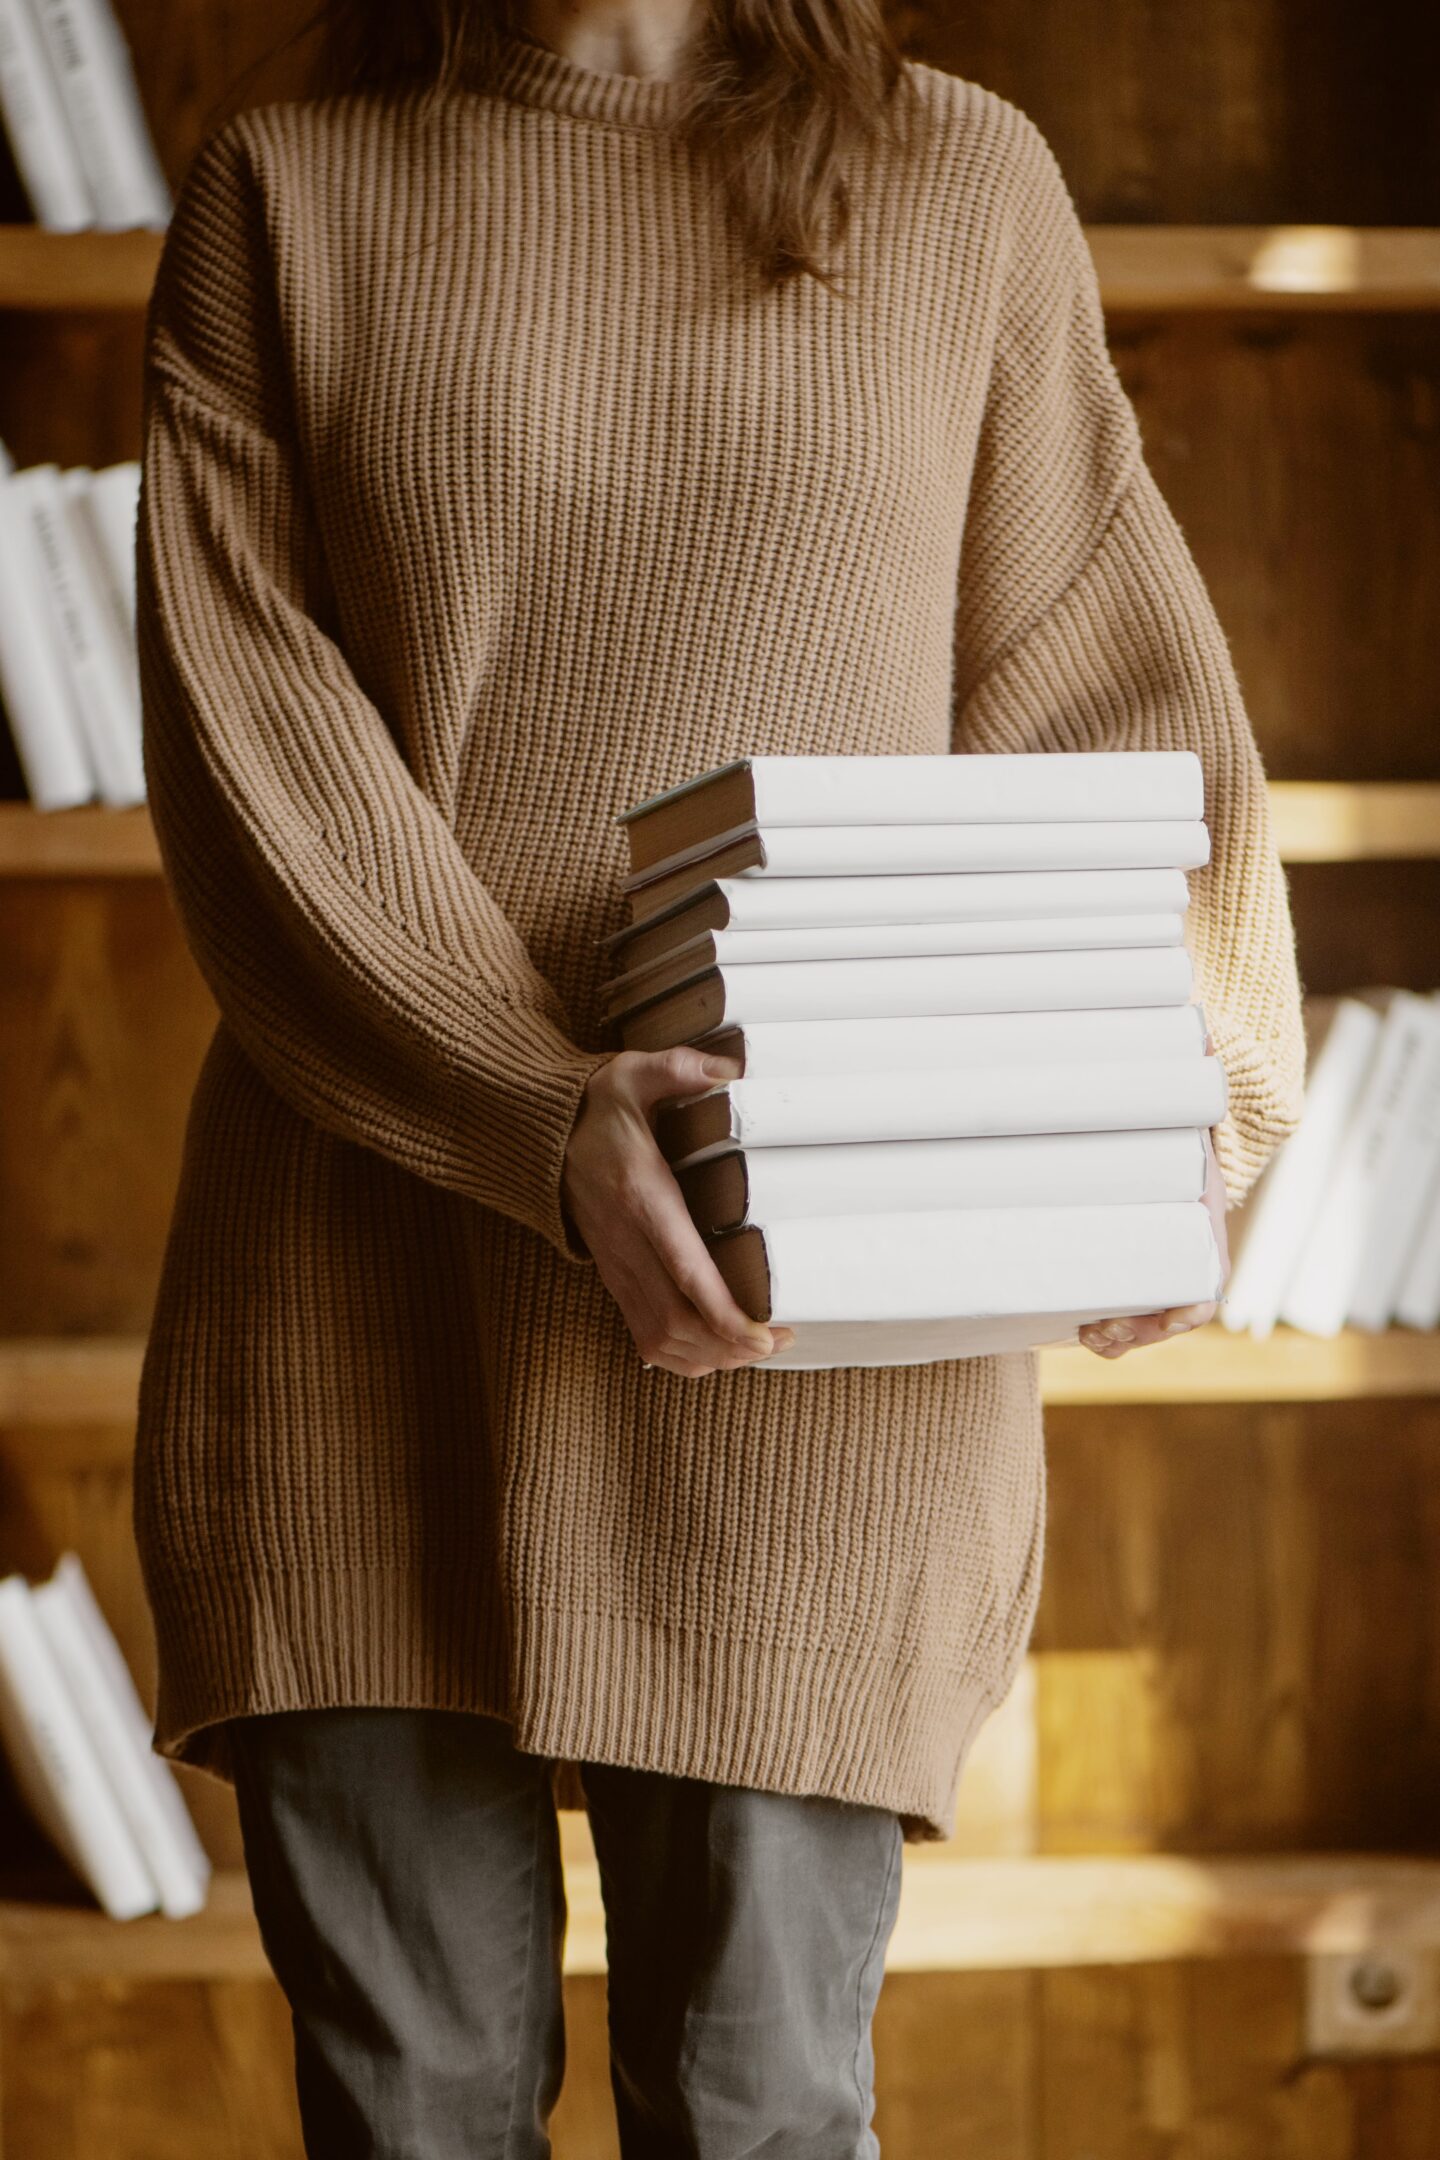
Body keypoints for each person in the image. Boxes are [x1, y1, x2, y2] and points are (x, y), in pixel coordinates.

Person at [131, 0, 1305, 2149]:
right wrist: (534, 1105)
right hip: (355, 1311)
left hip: (815, 1331)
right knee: (415, 2117)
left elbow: (1115, 691)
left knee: (763, 2111)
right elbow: (252, 761)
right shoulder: (289, 194)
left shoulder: (965, 185)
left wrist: (1188, 1094)